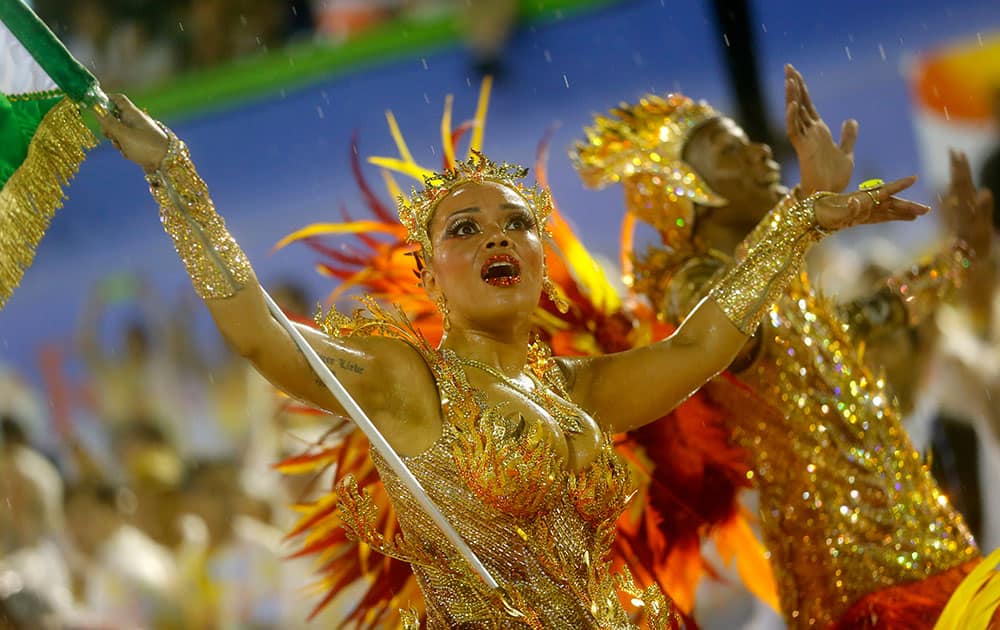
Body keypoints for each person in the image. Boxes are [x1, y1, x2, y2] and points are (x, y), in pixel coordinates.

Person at [96, 90, 924, 627]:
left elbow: (706, 345)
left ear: (537, 258)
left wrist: (802, 220)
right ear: (433, 276)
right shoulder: (403, 382)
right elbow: (260, 335)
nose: (497, 234)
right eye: (465, 228)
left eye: (516, 222)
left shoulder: (584, 390)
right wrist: (176, 177)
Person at [572, 64, 994, 628]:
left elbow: (871, 315)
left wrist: (961, 256)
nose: (761, 153)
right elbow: (734, 335)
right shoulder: (692, 289)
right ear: (688, 195)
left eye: (748, 141)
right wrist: (802, 215)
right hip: (859, 593)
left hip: (933, 556)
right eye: (730, 152)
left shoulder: (777, 283)